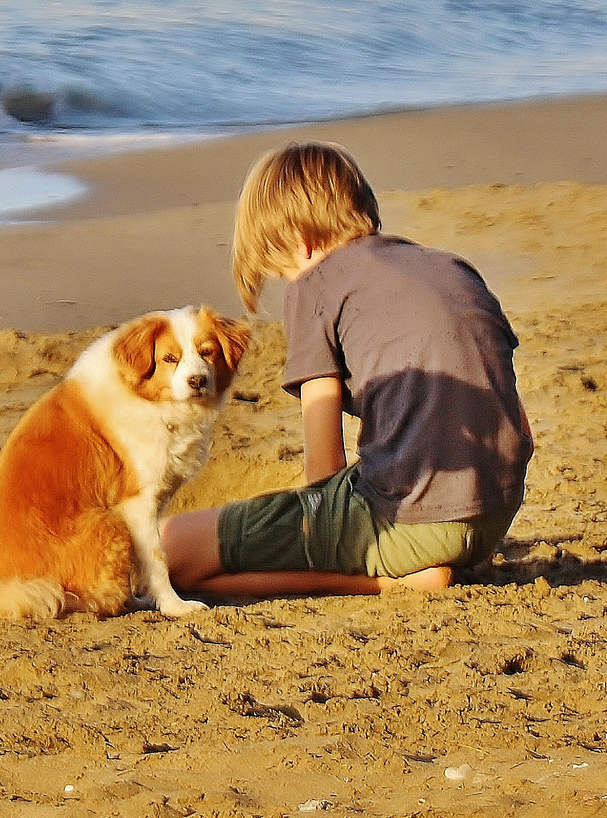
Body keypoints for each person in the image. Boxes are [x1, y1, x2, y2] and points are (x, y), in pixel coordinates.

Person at [161, 141, 532, 598]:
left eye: (283, 271)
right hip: (495, 512)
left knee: (168, 549)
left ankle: (385, 583)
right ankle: (408, 565)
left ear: (302, 242)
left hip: (408, 524)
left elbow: (324, 469)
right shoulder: (452, 267)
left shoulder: (315, 284)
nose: (289, 284)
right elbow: (514, 418)